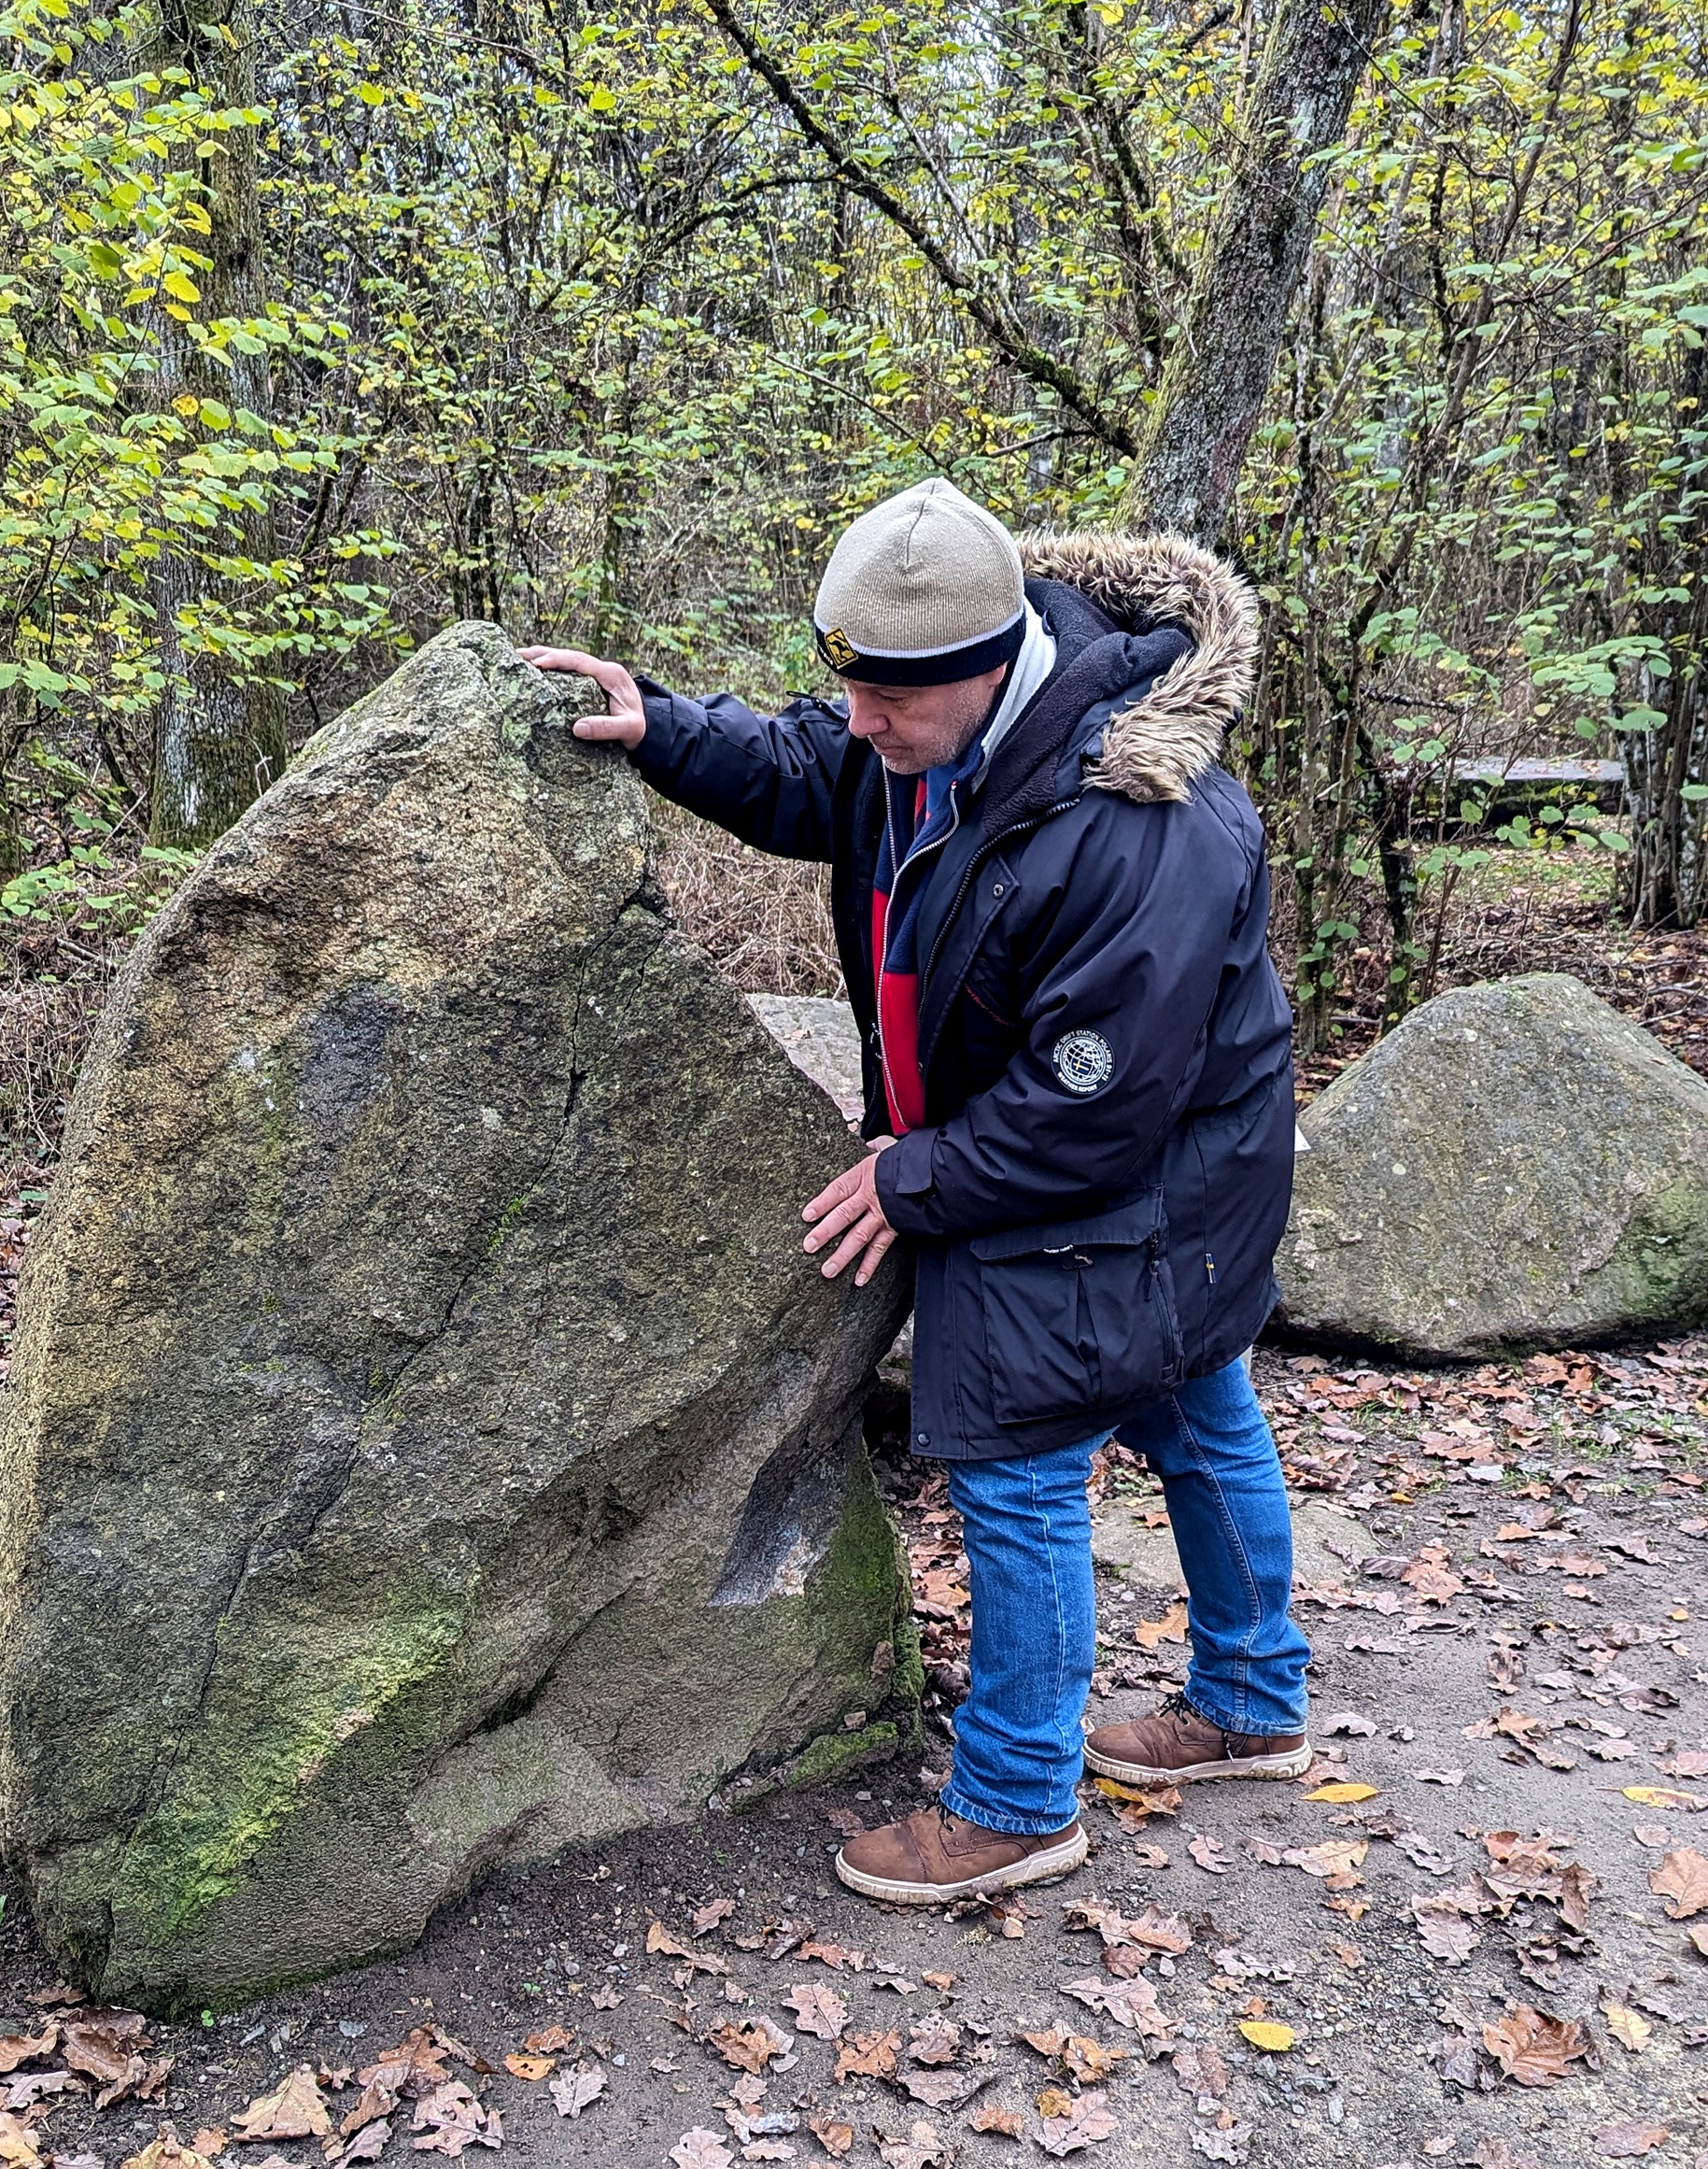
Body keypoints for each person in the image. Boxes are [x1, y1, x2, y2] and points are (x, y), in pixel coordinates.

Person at [520, 477, 1310, 1906]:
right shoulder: (926, 730)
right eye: (853, 685)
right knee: (1198, 1402)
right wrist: (665, 725)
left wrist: (915, 1172)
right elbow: (814, 764)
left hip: (1139, 1178)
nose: (865, 722)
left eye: (895, 697)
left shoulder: (1144, 823)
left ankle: (1018, 1802)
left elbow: (1097, 1101)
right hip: (1109, 1161)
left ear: (994, 662)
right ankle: (1254, 1702)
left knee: (1020, 1459)